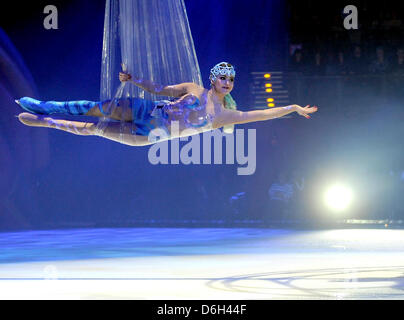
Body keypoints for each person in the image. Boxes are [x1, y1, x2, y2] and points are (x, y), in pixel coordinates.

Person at [16, 62, 318, 146]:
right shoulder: (192, 88)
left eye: (231, 80)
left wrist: (291, 108)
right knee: (97, 106)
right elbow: (159, 89)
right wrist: (134, 81)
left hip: (150, 135)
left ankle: (46, 121)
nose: (227, 83)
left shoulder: (224, 115)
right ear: (213, 79)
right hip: (147, 110)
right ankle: (43, 105)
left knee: (95, 128)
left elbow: (261, 114)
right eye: (222, 78)